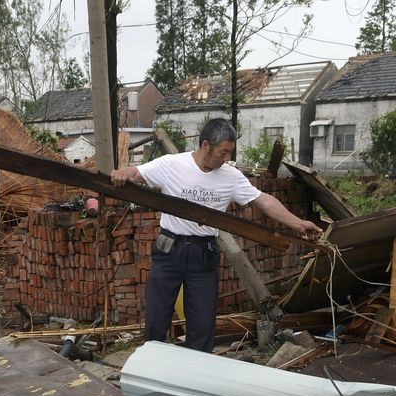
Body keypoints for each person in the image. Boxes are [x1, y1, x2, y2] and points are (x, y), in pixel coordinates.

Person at [110, 118, 319, 352]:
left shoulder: (230, 176)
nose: (226, 158)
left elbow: (264, 201)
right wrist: (122, 173)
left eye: (230, 152)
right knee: (157, 317)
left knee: (202, 323)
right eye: (223, 152)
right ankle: (152, 370)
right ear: (206, 145)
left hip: (203, 255)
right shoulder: (172, 165)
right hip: (170, 251)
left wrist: (298, 223)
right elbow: (136, 173)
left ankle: (196, 375)